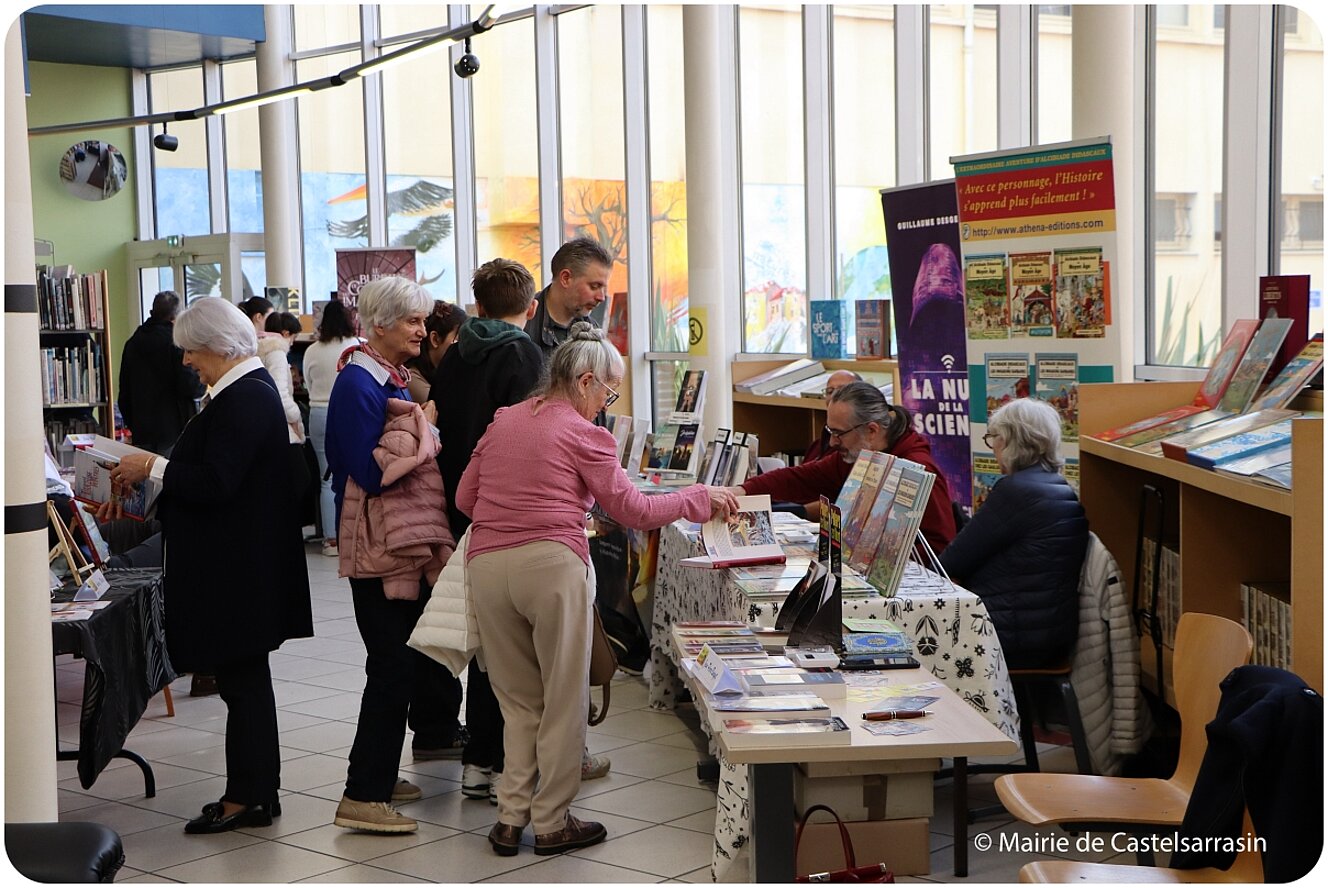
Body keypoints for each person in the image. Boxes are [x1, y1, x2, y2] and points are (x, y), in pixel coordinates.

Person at [456, 322, 738, 857]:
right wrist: (696, 498)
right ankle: (553, 821)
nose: (607, 403)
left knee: (518, 703)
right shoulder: (586, 434)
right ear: (584, 380)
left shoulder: (504, 421)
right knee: (564, 699)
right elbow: (632, 509)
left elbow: (467, 499)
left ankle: (510, 818)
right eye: (608, 391)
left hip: (488, 566)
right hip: (552, 568)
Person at [103, 296, 312, 834]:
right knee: (245, 684)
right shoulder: (242, 393)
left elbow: (217, 482)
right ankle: (256, 790)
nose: (186, 362)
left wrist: (153, 465)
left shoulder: (243, 398)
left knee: (243, 685)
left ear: (218, 347)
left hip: (238, 572)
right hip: (242, 567)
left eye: (191, 351)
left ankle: (248, 797)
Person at [325, 276, 465, 835]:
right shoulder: (358, 384)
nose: (421, 331)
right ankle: (362, 794)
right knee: (391, 667)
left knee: (401, 662)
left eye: (422, 320)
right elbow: (371, 470)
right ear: (378, 324)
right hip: (377, 548)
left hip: (397, 545)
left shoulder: (387, 377)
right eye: (410, 321)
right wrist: (421, 427)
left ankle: (379, 776)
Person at [428, 258, 543, 804]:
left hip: (459, 501)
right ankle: (497, 764)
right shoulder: (522, 354)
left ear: (476, 305)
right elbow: (524, 438)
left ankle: (479, 758)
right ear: (532, 307)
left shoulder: (454, 355)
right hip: (507, 511)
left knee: (483, 639)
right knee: (512, 646)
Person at [939, 398, 1088, 669]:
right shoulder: (1058, 487)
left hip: (1008, 635)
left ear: (1008, 441)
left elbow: (949, 563)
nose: (992, 447)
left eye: (992, 438)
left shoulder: (1016, 491)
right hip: (1048, 633)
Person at [733, 381, 957, 555]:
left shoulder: (919, 470)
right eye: (830, 432)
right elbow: (801, 477)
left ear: (871, 430)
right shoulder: (858, 455)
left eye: (839, 433)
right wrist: (740, 491)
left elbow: (940, 548)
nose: (832, 443)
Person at [117, 290, 205, 457]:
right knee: (170, 478)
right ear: (176, 317)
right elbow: (191, 386)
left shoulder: (132, 343)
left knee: (145, 479)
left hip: (142, 432)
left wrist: (135, 425)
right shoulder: (176, 344)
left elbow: (124, 394)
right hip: (174, 432)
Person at [303, 300, 359, 556]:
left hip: (318, 412)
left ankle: (331, 540)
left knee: (327, 479)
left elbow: (307, 382)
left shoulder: (312, 350)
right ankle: (355, 533)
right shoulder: (357, 346)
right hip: (348, 411)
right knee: (352, 474)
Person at [524, 237, 613, 361]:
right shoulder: (522, 323)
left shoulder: (593, 330)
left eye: (604, 288)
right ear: (565, 278)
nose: (601, 297)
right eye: (594, 286)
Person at [405, 300, 466, 404]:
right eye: (458, 339)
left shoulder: (441, 372)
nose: (464, 346)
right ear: (435, 339)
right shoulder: (413, 381)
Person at [802, 370, 862, 462]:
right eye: (830, 391)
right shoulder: (817, 446)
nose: (834, 396)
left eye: (842, 391)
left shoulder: (855, 446)